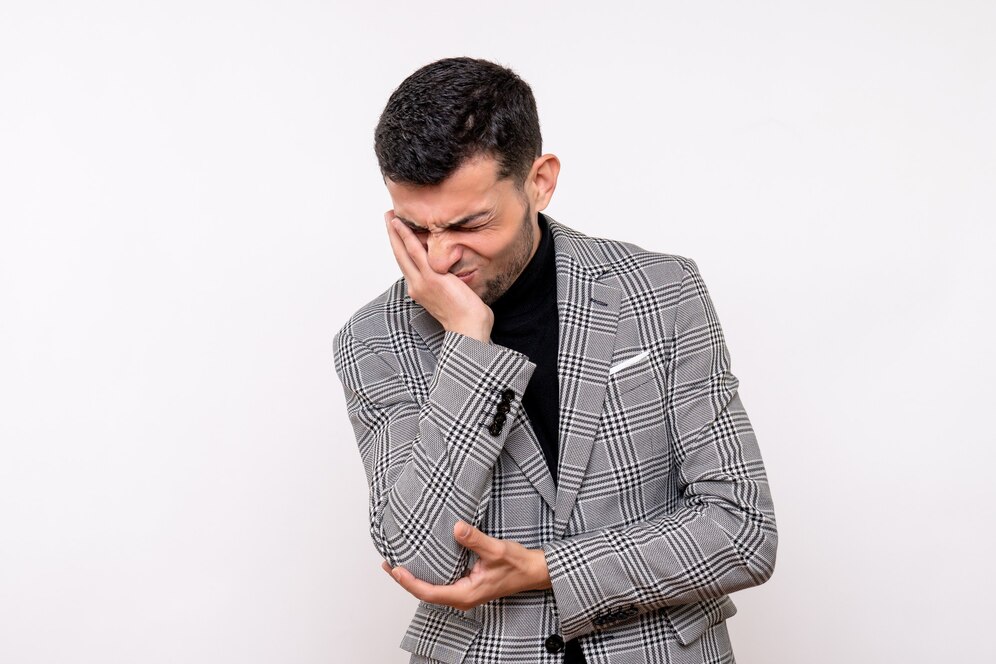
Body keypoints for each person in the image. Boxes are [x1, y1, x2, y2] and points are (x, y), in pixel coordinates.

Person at [332, 57, 777, 664]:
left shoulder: (661, 291)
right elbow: (416, 555)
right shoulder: (373, 338)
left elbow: (742, 530)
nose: (438, 261)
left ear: (539, 181)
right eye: (415, 228)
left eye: (471, 223)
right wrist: (466, 343)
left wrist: (548, 569)